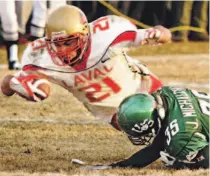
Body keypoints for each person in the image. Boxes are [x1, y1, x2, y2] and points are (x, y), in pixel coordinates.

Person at [0, 5, 171, 125]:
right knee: (158, 135)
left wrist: (159, 33)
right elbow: (17, 84)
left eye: (69, 43)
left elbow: (164, 34)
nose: (62, 51)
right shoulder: (40, 55)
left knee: (178, 113)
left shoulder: (107, 33)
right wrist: (17, 84)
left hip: (142, 83)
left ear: (84, 35)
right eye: (56, 44)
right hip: (114, 111)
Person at [85, 86, 209, 170]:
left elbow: (207, 160)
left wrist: (179, 164)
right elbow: (158, 144)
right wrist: (121, 165)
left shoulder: (180, 137)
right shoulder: (166, 92)